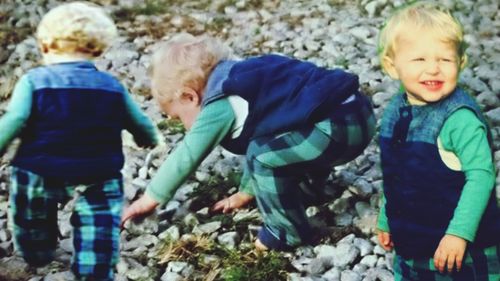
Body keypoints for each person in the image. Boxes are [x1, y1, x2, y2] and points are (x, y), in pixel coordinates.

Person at [121, 33, 376, 251]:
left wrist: (151, 197)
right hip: (358, 114)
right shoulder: (245, 78)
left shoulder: (219, 102)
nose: (184, 126)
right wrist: (246, 192)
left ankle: (286, 232)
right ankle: (310, 189)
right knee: (282, 141)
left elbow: (187, 154)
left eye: (178, 118)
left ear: (189, 97)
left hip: (338, 129)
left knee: (265, 160)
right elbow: (264, 135)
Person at [0, 2, 161, 280]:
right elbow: (137, 121)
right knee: (99, 221)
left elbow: (15, 120)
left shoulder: (34, 81)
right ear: (97, 48)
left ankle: (37, 250)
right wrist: (147, 138)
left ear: (46, 45)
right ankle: (94, 269)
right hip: (98, 170)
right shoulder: (111, 86)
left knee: (31, 214)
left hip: (40, 167)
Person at [376, 2, 500, 280]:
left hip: (462, 251)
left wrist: (459, 233)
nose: (433, 69)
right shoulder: (395, 112)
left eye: (444, 60)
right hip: (415, 242)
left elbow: (481, 177)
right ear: (392, 66)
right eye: (419, 60)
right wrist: (388, 217)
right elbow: (396, 171)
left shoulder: (460, 120)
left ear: (460, 63)